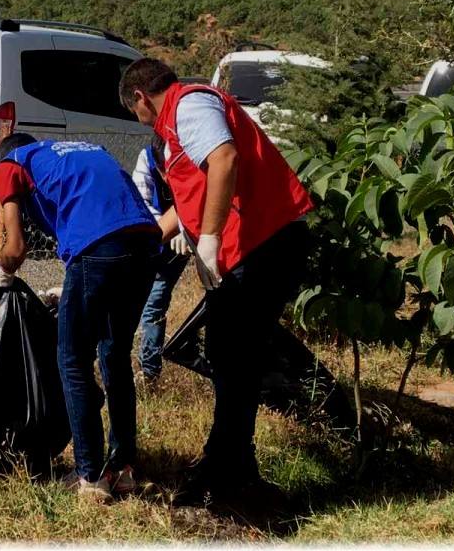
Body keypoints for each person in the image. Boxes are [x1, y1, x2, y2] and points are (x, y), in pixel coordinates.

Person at [118, 57, 345, 505]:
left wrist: (209, 239)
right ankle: (232, 464)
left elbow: (225, 159)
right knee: (229, 354)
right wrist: (140, 244)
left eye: (134, 111)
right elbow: (190, 199)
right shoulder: (176, 129)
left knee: (233, 353)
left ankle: (227, 470)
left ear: (140, 97)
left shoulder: (188, 106)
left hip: (266, 241)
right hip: (257, 244)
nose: (139, 119)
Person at [0, 132, 159, 502]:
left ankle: (90, 476)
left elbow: (15, 248)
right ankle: (123, 470)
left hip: (100, 248)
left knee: (73, 360)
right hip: (147, 245)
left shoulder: (11, 163)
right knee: (115, 354)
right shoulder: (78, 151)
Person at [131, 134, 192, 385]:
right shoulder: (147, 158)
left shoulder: (192, 158)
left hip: (188, 239)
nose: (169, 178)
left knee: (155, 302)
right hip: (153, 237)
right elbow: (141, 202)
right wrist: (171, 227)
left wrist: (186, 229)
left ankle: (149, 372)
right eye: (165, 171)